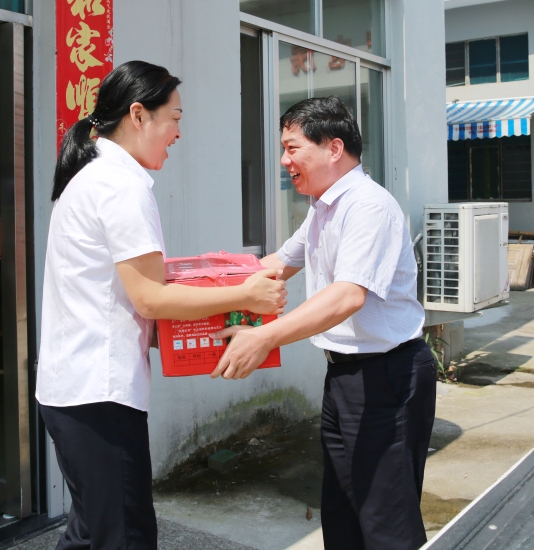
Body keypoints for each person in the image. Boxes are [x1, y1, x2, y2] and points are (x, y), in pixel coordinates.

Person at [36, 60, 287, 550]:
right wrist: (246, 295)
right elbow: (150, 298)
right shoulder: (120, 186)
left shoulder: (92, 176)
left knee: (90, 532)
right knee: (125, 536)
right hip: (98, 394)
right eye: (174, 118)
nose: (177, 133)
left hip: (74, 391)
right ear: (138, 115)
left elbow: (123, 294)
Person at [211, 96, 436, 550]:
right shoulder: (324, 206)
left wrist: (265, 336)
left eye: (292, 148)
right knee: (342, 511)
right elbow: (276, 264)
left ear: (334, 148)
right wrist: (200, 286)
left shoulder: (368, 206)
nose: (284, 161)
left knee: (385, 520)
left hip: (387, 378)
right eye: (284, 149)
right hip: (345, 377)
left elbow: (348, 295)